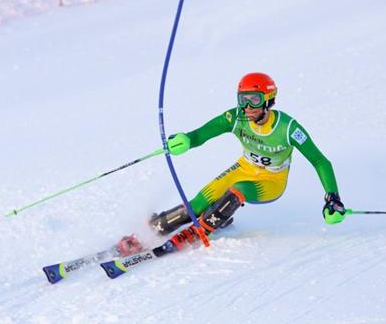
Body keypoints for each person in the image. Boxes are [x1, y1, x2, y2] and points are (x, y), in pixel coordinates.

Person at [118, 72, 346, 256]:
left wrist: (332, 197)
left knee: (239, 191)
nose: (247, 106)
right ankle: (154, 230)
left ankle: (198, 231)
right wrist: (185, 140)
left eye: (254, 100)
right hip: (244, 168)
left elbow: (319, 161)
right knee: (198, 203)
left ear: (269, 100)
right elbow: (201, 135)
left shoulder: (288, 128)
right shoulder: (235, 118)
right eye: (242, 99)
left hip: (271, 180)